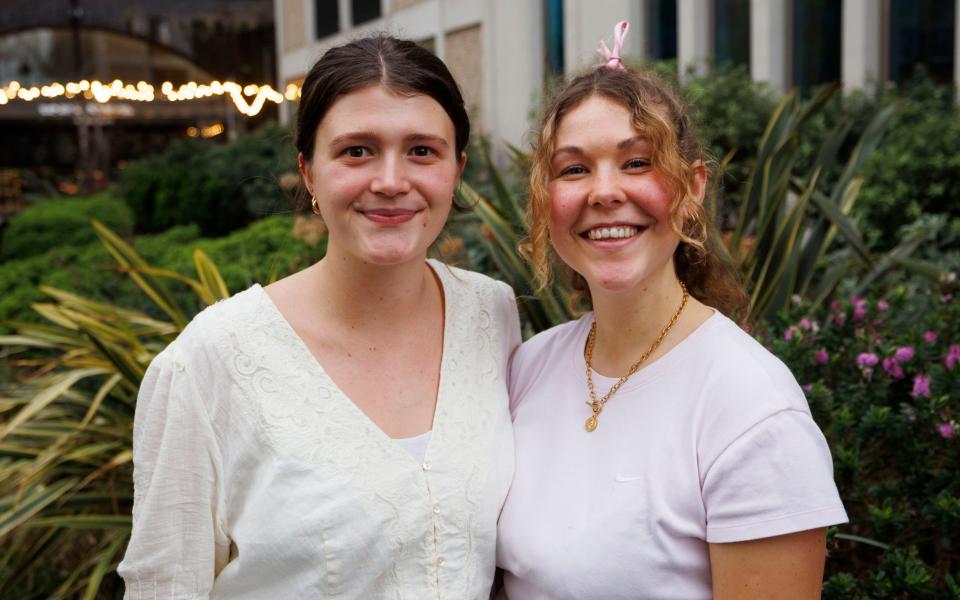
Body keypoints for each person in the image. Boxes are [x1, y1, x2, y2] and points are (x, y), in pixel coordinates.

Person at [119, 34, 521, 599]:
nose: (390, 180)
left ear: (458, 169)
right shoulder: (210, 362)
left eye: (422, 151)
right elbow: (165, 585)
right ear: (308, 172)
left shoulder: (491, 314)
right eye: (356, 150)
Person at [496, 22, 847, 600]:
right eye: (574, 168)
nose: (604, 191)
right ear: (544, 199)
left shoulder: (751, 409)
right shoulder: (528, 367)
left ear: (692, 188)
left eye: (637, 163)